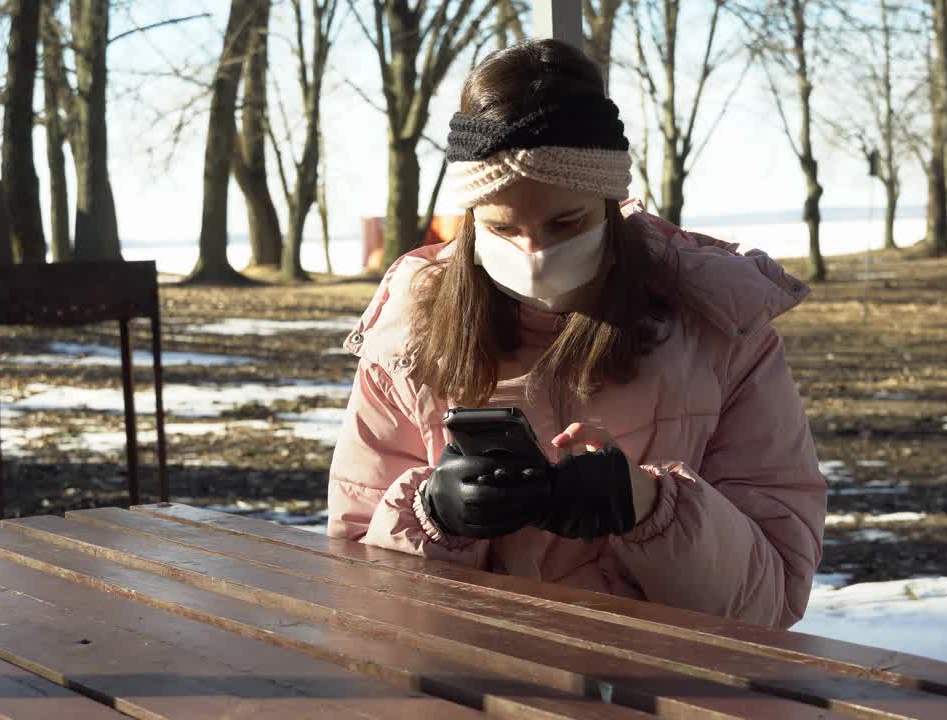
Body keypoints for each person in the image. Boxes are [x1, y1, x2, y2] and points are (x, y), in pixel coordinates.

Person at [328, 38, 827, 629]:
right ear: (467, 223)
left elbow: (774, 597)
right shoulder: (406, 337)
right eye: (501, 227)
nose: (534, 253)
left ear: (611, 204)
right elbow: (356, 584)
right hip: (464, 681)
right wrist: (431, 514)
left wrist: (650, 508)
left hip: (662, 686)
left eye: (566, 222)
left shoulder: (722, 332)